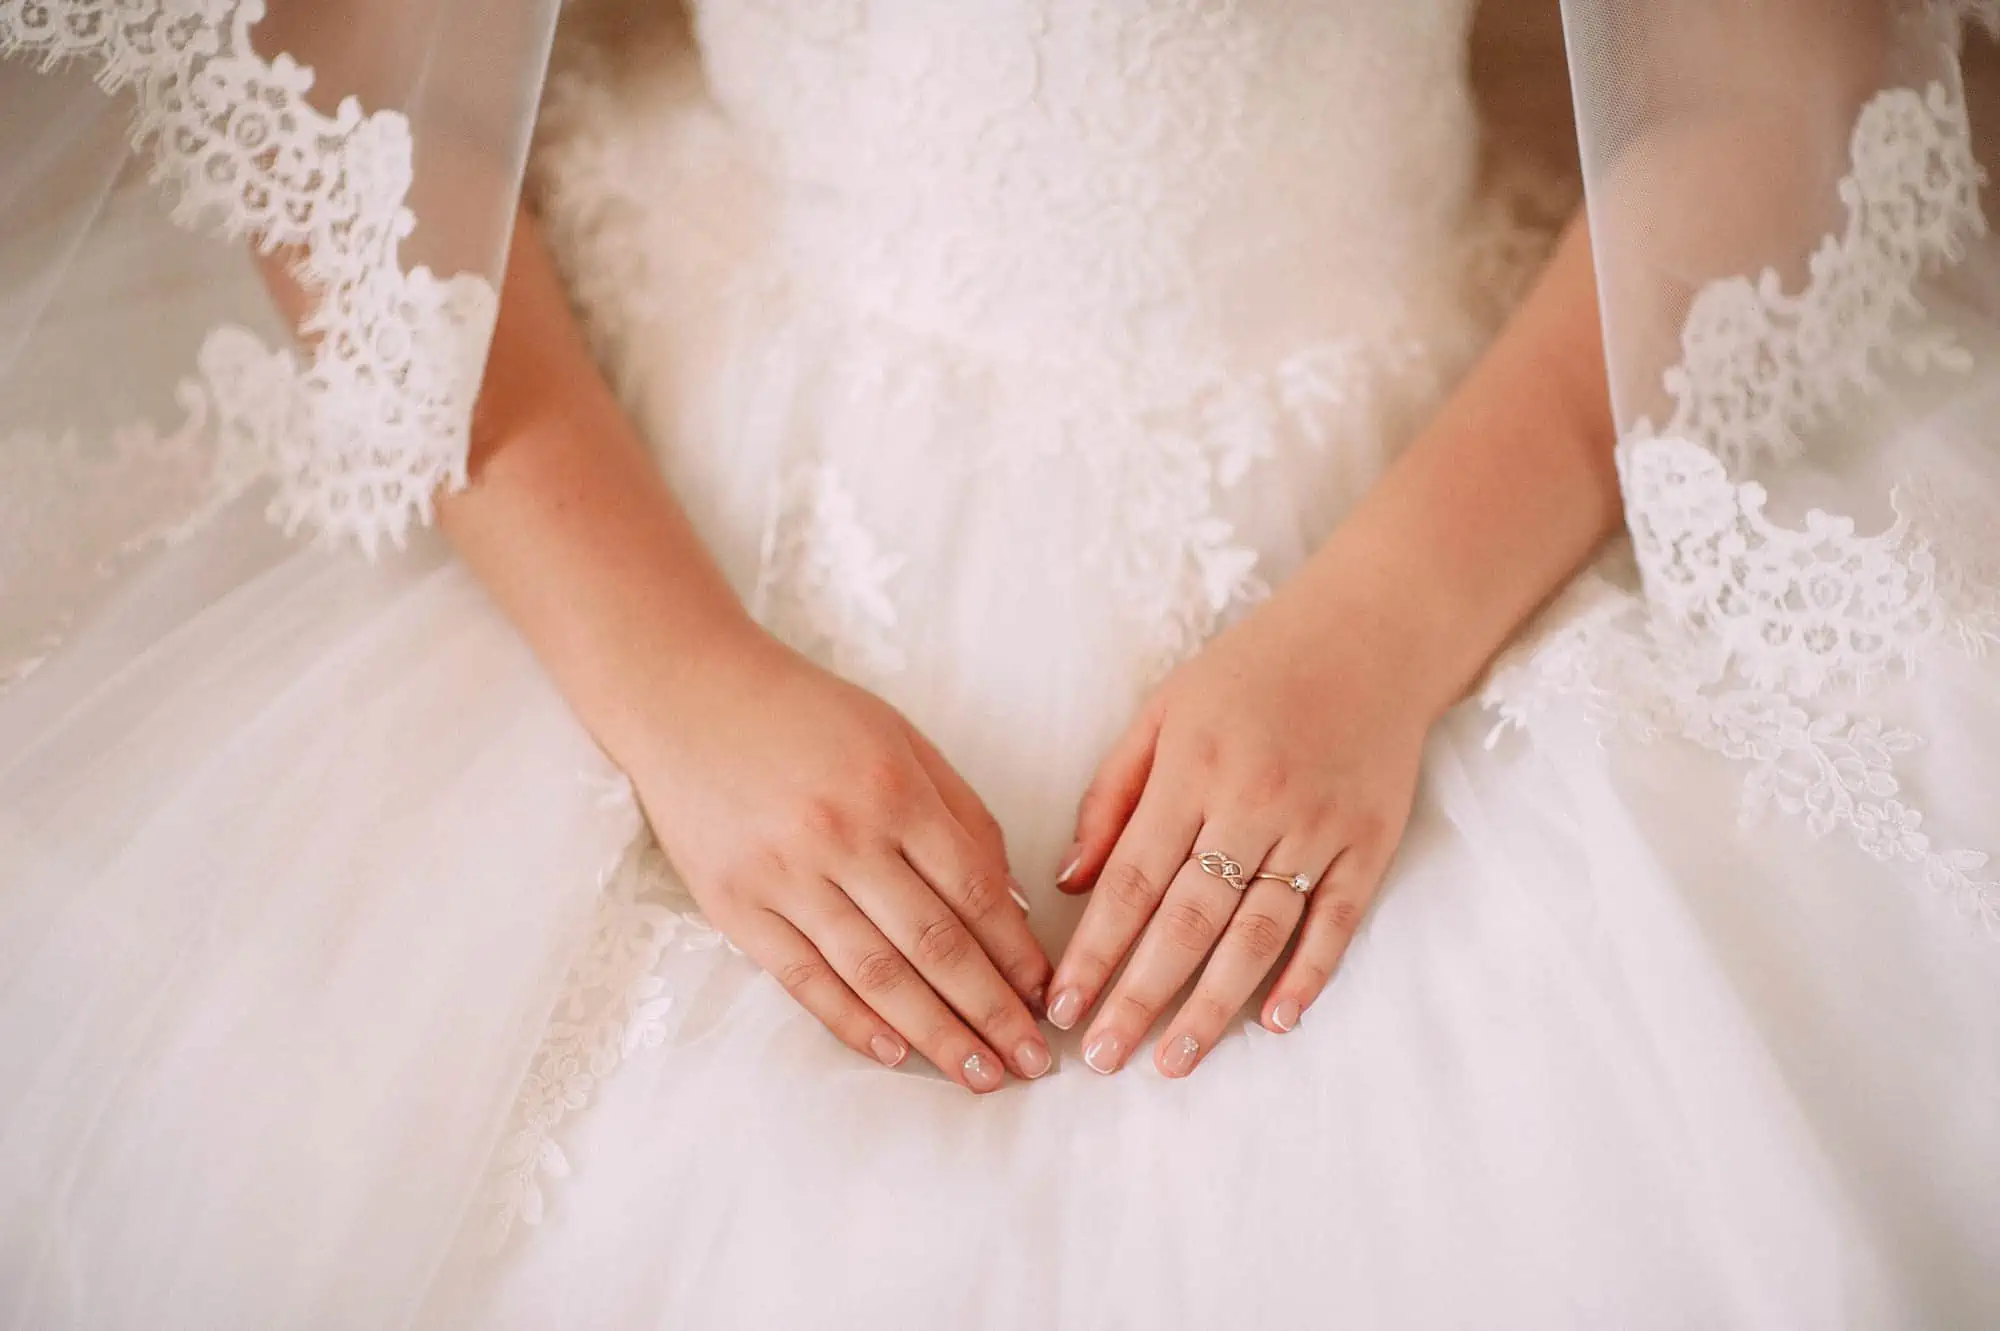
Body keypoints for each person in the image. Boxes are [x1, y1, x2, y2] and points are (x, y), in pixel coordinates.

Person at [1, 1, 1995, 1327]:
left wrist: (1385, 626)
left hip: (1469, 448)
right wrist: (674, 680)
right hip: (648, 460)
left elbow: (1766, 86)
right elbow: (365, 95)